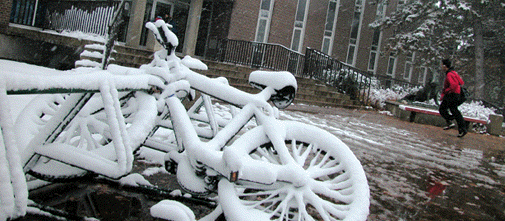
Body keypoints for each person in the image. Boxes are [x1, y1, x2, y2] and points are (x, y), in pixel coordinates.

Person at [438, 59, 467, 137]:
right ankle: (462, 129)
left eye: (442, 65)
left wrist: (446, 90)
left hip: (452, 94)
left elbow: (453, 86)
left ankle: (451, 121)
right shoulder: (453, 72)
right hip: (456, 94)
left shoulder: (449, 74)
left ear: (445, 66)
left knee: (442, 109)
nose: (441, 67)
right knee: (454, 110)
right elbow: (461, 82)